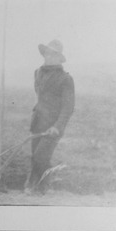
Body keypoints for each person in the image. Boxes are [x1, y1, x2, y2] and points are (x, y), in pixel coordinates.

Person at [24, 39, 75, 194]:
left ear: (59, 58)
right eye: (47, 53)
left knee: (40, 157)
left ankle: (33, 186)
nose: (49, 57)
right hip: (38, 122)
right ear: (44, 54)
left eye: (54, 54)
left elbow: (68, 107)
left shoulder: (66, 79)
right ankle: (41, 187)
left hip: (53, 126)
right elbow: (40, 97)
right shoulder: (37, 73)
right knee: (36, 157)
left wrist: (57, 127)